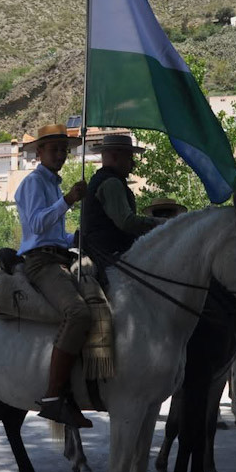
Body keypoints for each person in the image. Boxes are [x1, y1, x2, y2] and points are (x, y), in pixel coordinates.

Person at [15, 123, 107, 429]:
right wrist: (67, 200)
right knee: (78, 312)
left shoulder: (52, 185)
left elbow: (55, 233)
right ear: (39, 152)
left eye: (64, 150)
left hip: (58, 257)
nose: (60, 155)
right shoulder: (32, 183)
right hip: (41, 263)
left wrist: (76, 238)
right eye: (54, 149)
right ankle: (54, 396)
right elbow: (37, 226)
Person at [83, 134, 166, 257]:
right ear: (115, 156)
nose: (133, 164)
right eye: (129, 158)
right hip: (109, 254)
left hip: (100, 251)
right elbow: (126, 222)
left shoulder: (100, 179)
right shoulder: (111, 182)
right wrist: (160, 223)